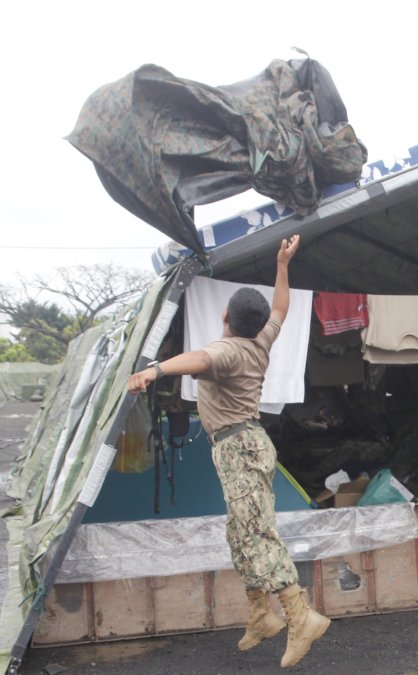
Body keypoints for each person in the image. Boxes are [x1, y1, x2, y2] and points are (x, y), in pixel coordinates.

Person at [126, 234, 330, 669]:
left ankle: (300, 615)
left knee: (256, 535)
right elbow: (281, 309)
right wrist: (282, 264)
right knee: (240, 535)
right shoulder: (260, 340)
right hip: (244, 446)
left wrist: (155, 370)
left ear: (224, 316)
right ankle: (262, 614)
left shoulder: (227, 350)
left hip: (239, 446)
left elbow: (198, 359)